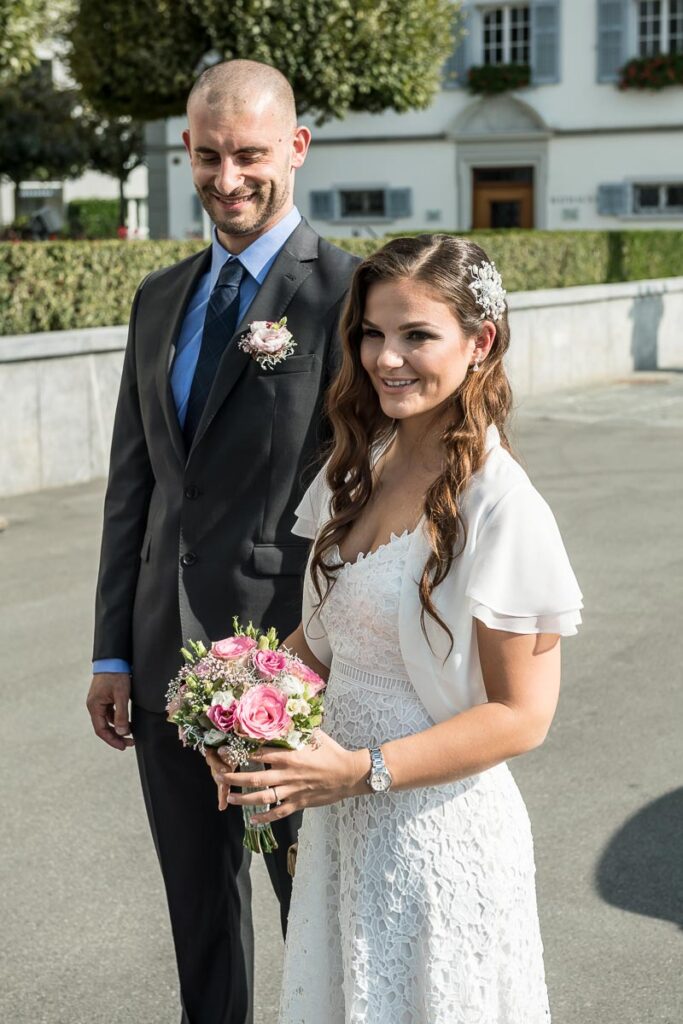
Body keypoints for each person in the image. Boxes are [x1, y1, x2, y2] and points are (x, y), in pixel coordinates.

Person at [208, 234, 584, 1023]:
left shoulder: (502, 505)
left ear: (479, 343)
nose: (386, 358)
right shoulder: (358, 465)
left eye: (417, 335)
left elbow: (523, 715)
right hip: (342, 829)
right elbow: (318, 645)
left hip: (437, 835)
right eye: (373, 333)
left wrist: (359, 771)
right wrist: (240, 720)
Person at [86, 59, 359, 1024]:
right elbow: (138, 485)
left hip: (293, 664)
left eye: (250, 154)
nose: (227, 177)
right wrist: (113, 647)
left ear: (296, 148)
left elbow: (370, 494)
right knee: (198, 915)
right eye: (207, 156)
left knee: (312, 909)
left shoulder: (351, 296)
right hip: (164, 659)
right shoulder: (160, 297)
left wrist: (340, 657)